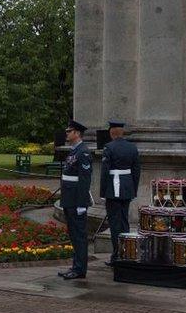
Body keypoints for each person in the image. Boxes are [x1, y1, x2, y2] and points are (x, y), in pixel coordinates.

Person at [99, 120, 141, 266]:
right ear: (122, 132)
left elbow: (104, 172)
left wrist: (103, 192)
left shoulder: (109, 147)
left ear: (111, 133)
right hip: (127, 187)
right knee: (124, 222)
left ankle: (117, 255)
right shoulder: (132, 148)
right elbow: (136, 171)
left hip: (113, 188)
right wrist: (133, 189)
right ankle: (126, 252)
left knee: (115, 223)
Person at [58, 120, 93, 280]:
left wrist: (81, 204)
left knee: (79, 235)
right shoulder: (74, 151)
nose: (67, 133)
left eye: (69, 131)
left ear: (77, 133)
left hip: (76, 201)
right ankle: (76, 266)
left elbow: (84, 181)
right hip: (69, 199)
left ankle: (80, 269)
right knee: (74, 234)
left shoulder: (83, 152)